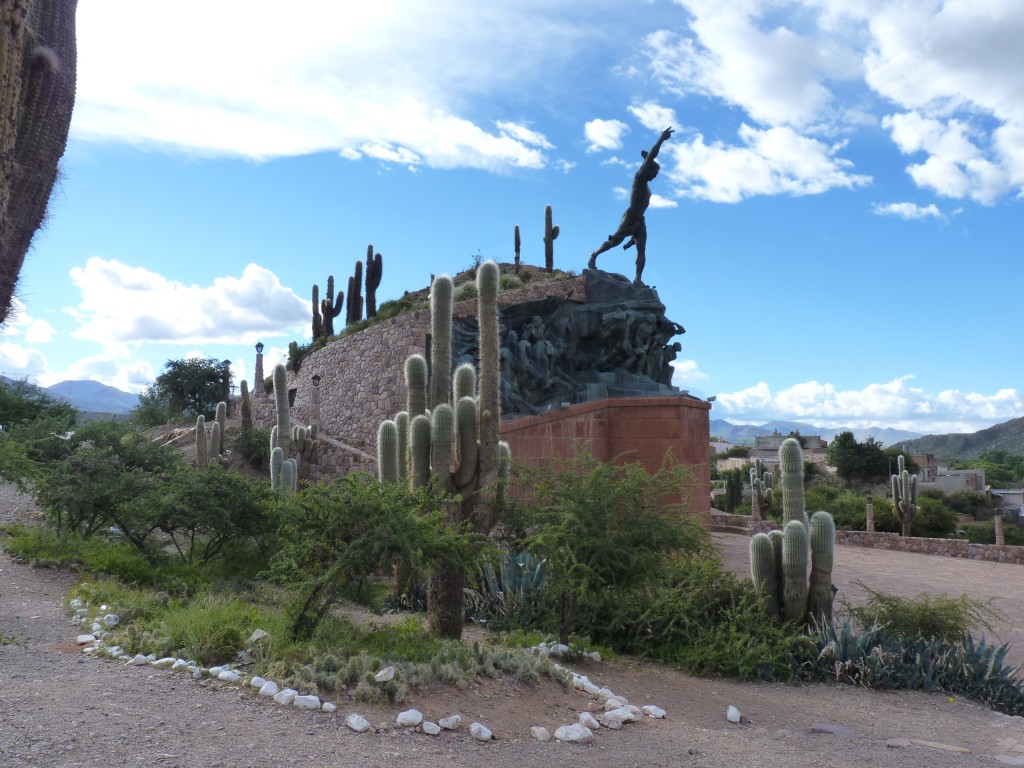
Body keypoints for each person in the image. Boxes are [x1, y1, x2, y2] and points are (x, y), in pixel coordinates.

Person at [588, 127, 673, 284]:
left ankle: (638, 279)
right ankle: (594, 254)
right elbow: (651, 156)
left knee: (641, 249)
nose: (655, 176)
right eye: (654, 173)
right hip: (631, 215)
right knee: (614, 242)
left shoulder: (647, 187)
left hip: (640, 219)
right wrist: (661, 140)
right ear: (648, 169)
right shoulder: (639, 178)